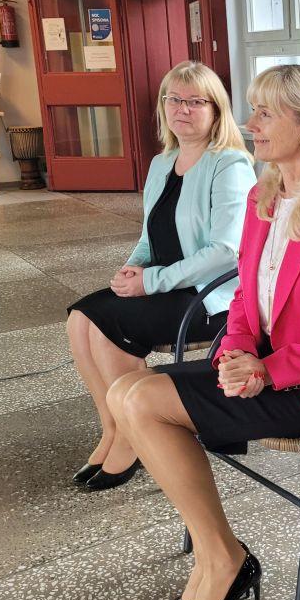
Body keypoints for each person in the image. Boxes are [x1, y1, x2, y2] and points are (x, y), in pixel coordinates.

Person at [105, 65, 300, 600]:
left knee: (142, 402)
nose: (250, 123)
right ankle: (218, 553)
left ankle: (222, 559)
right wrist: (236, 352)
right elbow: (245, 292)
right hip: (263, 367)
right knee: (124, 391)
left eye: (266, 113)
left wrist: (269, 368)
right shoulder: (265, 194)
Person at [67, 61, 255, 491]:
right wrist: (131, 269)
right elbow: (150, 234)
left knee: (109, 326)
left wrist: (150, 282)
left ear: (216, 110)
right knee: (80, 318)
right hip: (166, 284)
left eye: (195, 101)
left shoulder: (229, 163)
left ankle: (133, 438)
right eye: (174, 99)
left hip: (211, 296)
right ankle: (114, 427)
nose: (182, 109)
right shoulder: (162, 162)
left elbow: (226, 251)